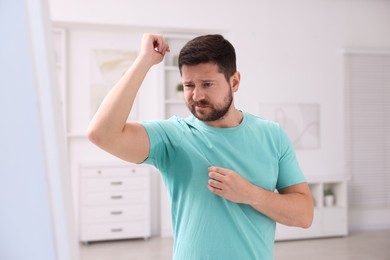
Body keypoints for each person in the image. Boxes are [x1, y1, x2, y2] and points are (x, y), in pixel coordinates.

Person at [88, 33, 314, 260]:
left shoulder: (272, 135)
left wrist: (249, 194)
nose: (196, 96)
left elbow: (304, 215)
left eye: (207, 84)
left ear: (234, 82)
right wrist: (144, 60)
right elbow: (102, 134)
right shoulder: (174, 136)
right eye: (188, 85)